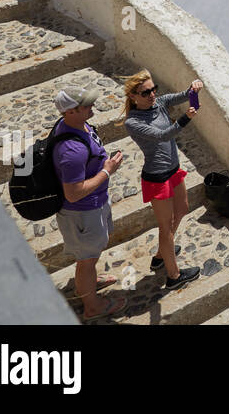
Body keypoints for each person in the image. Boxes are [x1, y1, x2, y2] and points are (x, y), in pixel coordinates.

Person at [122, 70, 203, 291]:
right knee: (165, 228)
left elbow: (180, 95)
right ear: (133, 96)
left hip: (173, 170)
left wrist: (193, 88)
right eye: (146, 92)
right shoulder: (133, 122)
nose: (152, 94)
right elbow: (161, 135)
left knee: (183, 209)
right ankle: (173, 275)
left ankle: (160, 255)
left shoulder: (159, 103)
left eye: (153, 89)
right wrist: (186, 118)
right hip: (157, 177)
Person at [52, 88, 126, 320]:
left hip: (94, 207)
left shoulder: (78, 126)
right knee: (86, 261)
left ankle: (89, 281)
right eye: (86, 105)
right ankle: (92, 307)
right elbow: (73, 193)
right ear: (71, 111)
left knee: (90, 258)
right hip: (82, 213)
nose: (92, 107)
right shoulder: (71, 150)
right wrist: (107, 171)